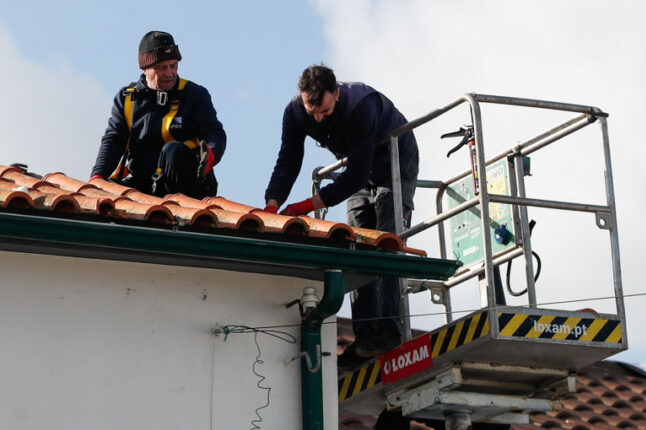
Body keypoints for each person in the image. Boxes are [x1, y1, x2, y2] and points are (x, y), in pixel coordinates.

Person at [264, 65, 419, 369]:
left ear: (335, 94)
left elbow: (357, 174)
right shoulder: (296, 113)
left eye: (324, 110)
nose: (319, 118)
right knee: (355, 246)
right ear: (302, 100)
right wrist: (273, 203)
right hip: (358, 173)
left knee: (386, 244)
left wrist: (308, 204)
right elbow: (289, 159)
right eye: (313, 112)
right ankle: (366, 338)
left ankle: (388, 332)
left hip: (393, 165)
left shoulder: (361, 106)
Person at [91, 31, 226, 199]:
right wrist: (97, 178)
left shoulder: (194, 95)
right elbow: (114, 140)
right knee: (107, 195)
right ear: (145, 68)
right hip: (145, 185)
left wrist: (211, 154)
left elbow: (215, 133)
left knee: (172, 151)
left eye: (174, 65)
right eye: (162, 67)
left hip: (190, 186)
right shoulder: (127, 99)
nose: (170, 73)